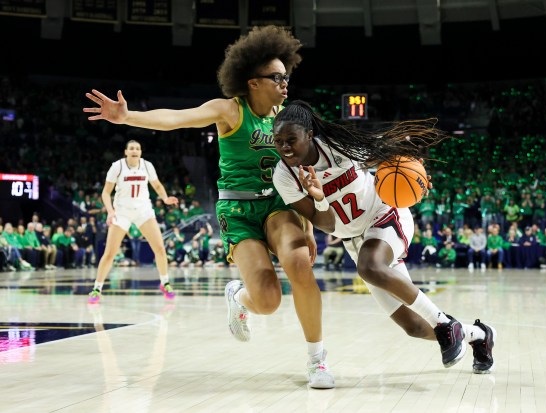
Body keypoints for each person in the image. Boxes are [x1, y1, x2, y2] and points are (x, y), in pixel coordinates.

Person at [82, 26, 334, 388]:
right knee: (267, 302)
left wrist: (308, 224)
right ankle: (240, 296)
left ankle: (317, 361)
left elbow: (299, 168)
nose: (285, 83)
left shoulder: (287, 115)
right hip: (239, 211)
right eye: (276, 77)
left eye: (286, 76)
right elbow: (175, 118)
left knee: (299, 264)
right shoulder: (229, 110)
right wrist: (128, 117)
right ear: (252, 82)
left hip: (280, 205)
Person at [271, 100, 496, 374]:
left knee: (369, 267)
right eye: (278, 140)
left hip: (384, 215)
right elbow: (325, 223)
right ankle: (479, 335)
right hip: (353, 239)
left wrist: (418, 177)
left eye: (290, 139)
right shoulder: (284, 176)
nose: (284, 147)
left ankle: (446, 325)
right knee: (413, 326)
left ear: (309, 135)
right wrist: (319, 198)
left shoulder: (341, 146)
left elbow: (392, 156)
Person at [85, 140, 179, 304]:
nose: (134, 151)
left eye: (137, 148)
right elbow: (106, 193)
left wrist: (165, 198)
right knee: (110, 253)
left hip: (143, 211)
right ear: (126, 152)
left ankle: (165, 283)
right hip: (122, 212)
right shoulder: (117, 166)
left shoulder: (147, 165)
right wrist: (110, 211)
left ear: (140, 152)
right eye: (131, 148)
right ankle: (96, 289)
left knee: (160, 249)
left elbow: (156, 185)